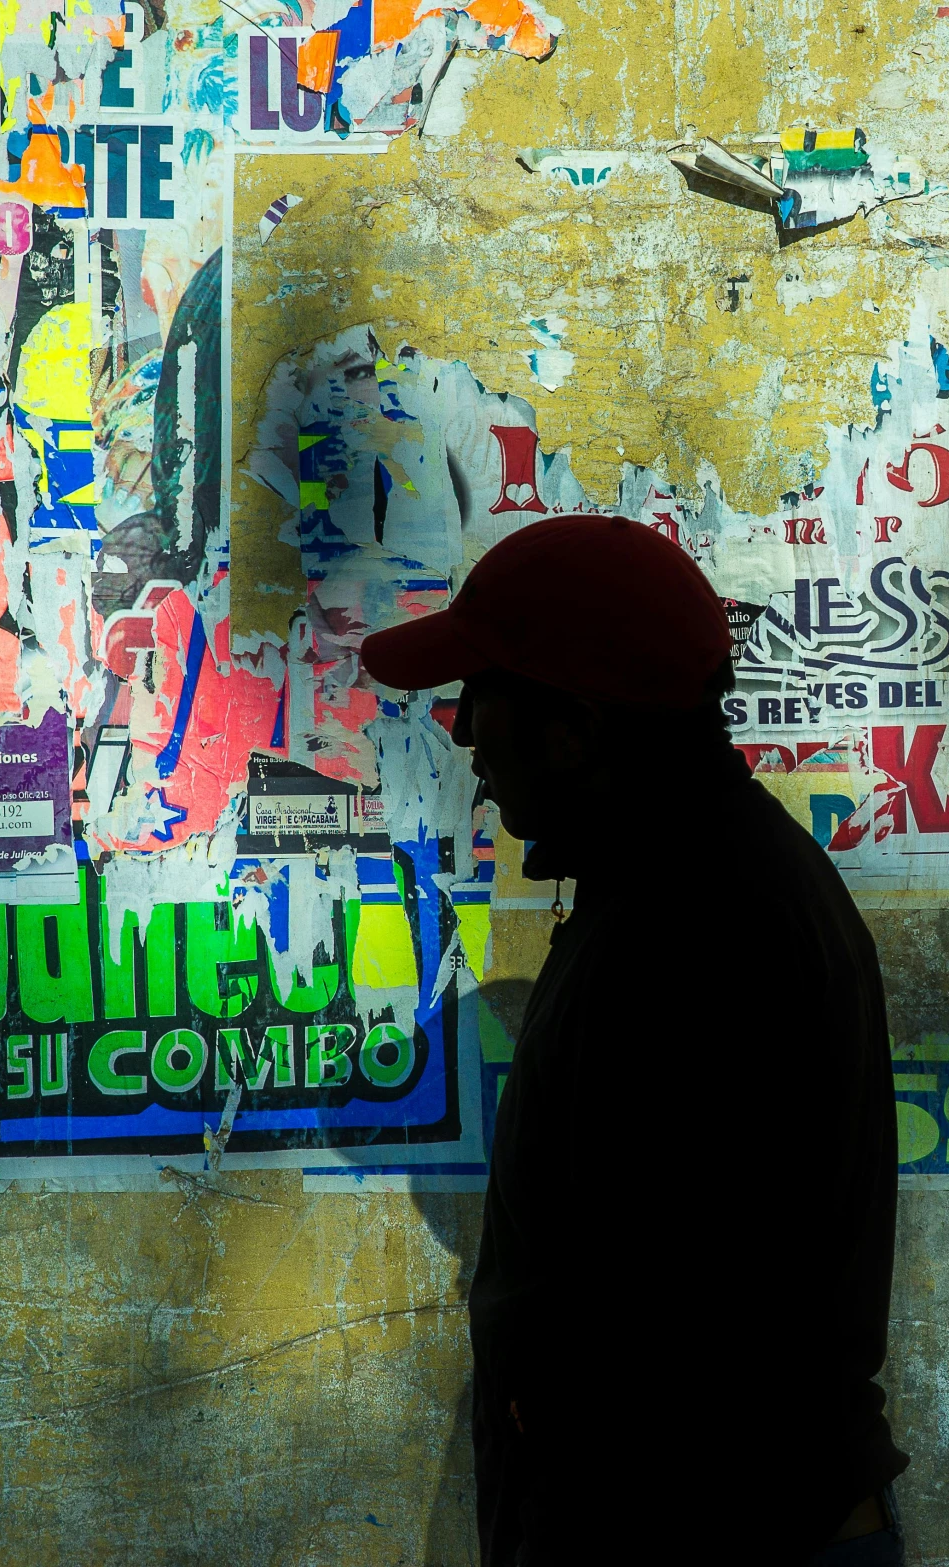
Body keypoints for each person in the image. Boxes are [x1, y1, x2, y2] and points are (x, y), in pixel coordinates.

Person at [361, 514, 910, 1565]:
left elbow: (685, 1336)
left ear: (573, 730)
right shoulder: (678, 883)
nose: (466, 731)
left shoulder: (700, 925)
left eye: (485, 696)